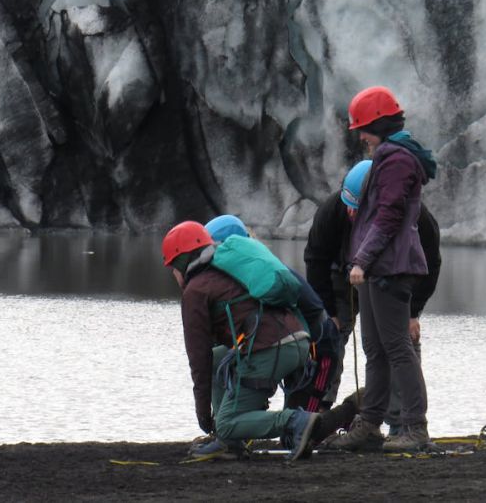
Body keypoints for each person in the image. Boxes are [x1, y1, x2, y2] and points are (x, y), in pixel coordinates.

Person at [322, 86, 438, 453]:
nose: (360, 137)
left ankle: (414, 428)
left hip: (390, 267)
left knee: (397, 348)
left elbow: (388, 216)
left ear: (380, 125)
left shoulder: (398, 160)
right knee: (376, 348)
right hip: (378, 268)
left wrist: (362, 260)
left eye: (364, 129)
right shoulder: (389, 156)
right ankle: (370, 424)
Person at [163, 220, 321, 461]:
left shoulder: (195, 291)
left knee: (227, 423)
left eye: (172, 267)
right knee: (219, 358)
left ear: (182, 262)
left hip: (270, 349)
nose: (174, 274)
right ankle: (228, 442)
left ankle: (294, 421)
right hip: (297, 342)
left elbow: (198, 359)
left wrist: (203, 414)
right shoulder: (228, 270)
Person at [305, 160, 441, 435]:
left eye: (358, 209)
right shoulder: (334, 210)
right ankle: (316, 414)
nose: (351, 214)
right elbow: (315, 260)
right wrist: (329, 311)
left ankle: (402, 424)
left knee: (400, 343)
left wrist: (414, 313)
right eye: (350, 208)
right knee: (329, 338)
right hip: (341, 275)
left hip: (390, 275)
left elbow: (431, 265)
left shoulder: (417, 218)